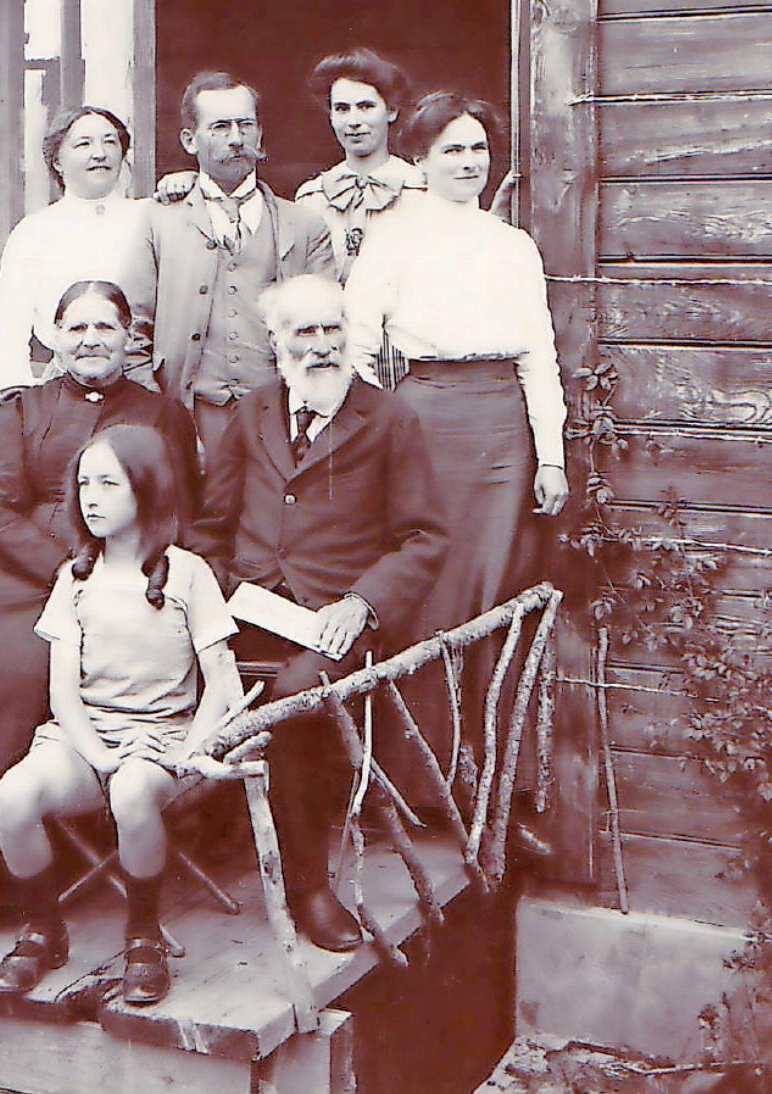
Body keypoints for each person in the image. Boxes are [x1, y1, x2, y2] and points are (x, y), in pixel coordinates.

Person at [0, 281, 199, 909]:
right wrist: (63, 563)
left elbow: (176, 509)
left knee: (17, 666)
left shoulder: (161, 413)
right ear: (54, 337)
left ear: (130, 338)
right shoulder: (24, 409)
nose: (91, 341)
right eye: (77, 328)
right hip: (15, 564)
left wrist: (109, 566)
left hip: (114, 568)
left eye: (105, 328)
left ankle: (24, 871)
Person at [190, 275, 445, 952]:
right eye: (305, 332)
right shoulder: (253, 412)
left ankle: (308, 885)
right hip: (248, 607)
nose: (324, 345)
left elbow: (424, 539)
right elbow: (212, 526)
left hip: (338, 622)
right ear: (277, 344)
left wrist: (363, 603)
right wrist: (212, 595)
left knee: (296, 698)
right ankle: (164, 855)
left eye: (334, 328)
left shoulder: (389, 419)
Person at [344, 91, 568, 767]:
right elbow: (358, 347)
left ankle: (492, 773)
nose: (469, 162)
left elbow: (538, 354)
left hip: (503, 432)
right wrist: (377, 434)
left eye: (478, 148)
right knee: (431, 588)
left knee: (496, 587)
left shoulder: (513, 246)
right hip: (426, 420)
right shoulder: (392, 240)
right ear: (420, 158)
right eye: (452, 150)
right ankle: (419, 776)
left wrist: (549, 458)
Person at [0, 424, 242, 1001]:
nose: (91, 497)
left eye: (109, 482)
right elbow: (62, 694)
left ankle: (143, 936)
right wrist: (98, 755)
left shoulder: (188, 574)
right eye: (83, 483)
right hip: (85, 739)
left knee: (131, 791)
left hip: (165, 742)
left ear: (147, 489)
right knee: (14, 794)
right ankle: (42, 931)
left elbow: (222, 683)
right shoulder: (75, 580)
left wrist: (189, 752)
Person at [125, 71, 335, 451]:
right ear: (190, 140)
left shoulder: (305, 226)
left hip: (281, 420)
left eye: (246, 125)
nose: (236, 139)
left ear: (260, 135)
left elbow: (328, 333)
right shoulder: (158, 221)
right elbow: (131, 331)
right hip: (189, 417)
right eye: (220, 127)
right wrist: (160, 416)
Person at [0, 106, 149, 394]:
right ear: (57, 162)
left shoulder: (150, 218)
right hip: (63, 388)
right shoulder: (34, 231)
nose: (100, 153)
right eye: (84, 144)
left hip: (140, 383)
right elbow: (9, 322)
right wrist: (16, 392)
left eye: (110, 142)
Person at [294, 48, 424, 287]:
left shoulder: (421, 190)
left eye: (366, 107)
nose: (353, 121)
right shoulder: (312, 197)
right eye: (342, 109)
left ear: (391, 111)